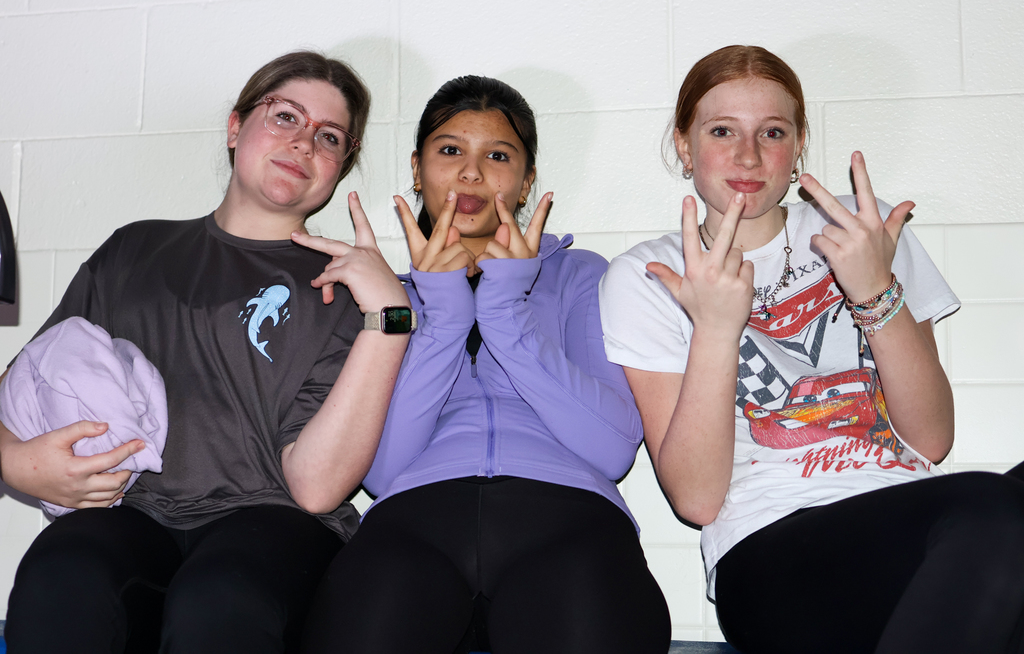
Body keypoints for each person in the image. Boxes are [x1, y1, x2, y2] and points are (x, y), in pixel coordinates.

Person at [600, 44, 1024, 654]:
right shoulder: (650, 274)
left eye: (771, 132)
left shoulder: (860, 230)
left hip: (917, 523)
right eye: (722, 131)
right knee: (992, 510)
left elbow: (930, 439)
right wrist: (717, 331)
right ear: (685, 145)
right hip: (774, 553)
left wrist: (877, 287)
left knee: (998, 517)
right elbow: (695, 500)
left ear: (799, 145)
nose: (748, 155)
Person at [0, 50, 412, 653]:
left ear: (340, 167)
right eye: (286, 117)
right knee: (58, 575)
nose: (303, 143)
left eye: (328, 136)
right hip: (132, 511)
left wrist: (389, 320)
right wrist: (14, 461)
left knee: (219, 601)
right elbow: (21, 381)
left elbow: (316, 489)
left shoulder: (350, 288)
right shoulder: (134, 250)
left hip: (275, 521)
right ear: (235, 125)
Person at [301, 75, 670, 654]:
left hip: (569, 520)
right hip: (413, 523)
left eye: (498, 156)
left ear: (526, 184)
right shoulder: (384, 300)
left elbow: (613, 447)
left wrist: (503, 311)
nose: (471, 174)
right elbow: (382, 469)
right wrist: (442, 313)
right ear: (417, 170)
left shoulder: (579, 276)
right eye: (450, 151)